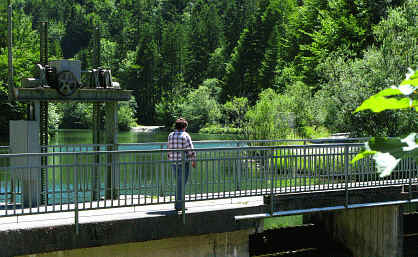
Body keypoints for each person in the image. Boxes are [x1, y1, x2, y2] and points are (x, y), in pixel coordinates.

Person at [167, 118, 196, 211]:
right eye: (186, 127)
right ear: (184, 127)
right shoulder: (185, 135)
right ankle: (179, 205)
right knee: (182, 184)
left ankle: (178, 204)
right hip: (183, 163)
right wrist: (193, 161)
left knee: (179, 183)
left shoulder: (170, 135)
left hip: (173, 162)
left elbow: (168, 149)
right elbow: (191, 151)